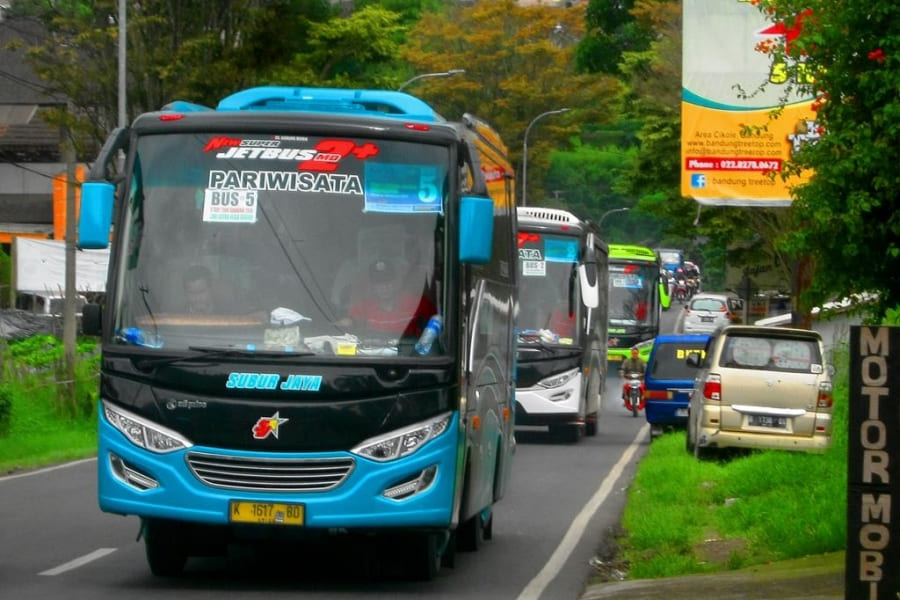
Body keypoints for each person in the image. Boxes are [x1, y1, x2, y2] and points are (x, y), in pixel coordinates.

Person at [341, 259, 436, 338]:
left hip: (409, 357)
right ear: (373, 286)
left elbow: (438, 319)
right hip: (376, 358)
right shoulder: (365, 307)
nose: (384, 287)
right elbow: (348, 322)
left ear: (396, 282)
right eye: (379, 283)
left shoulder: (415, 303)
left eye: (388, 282)